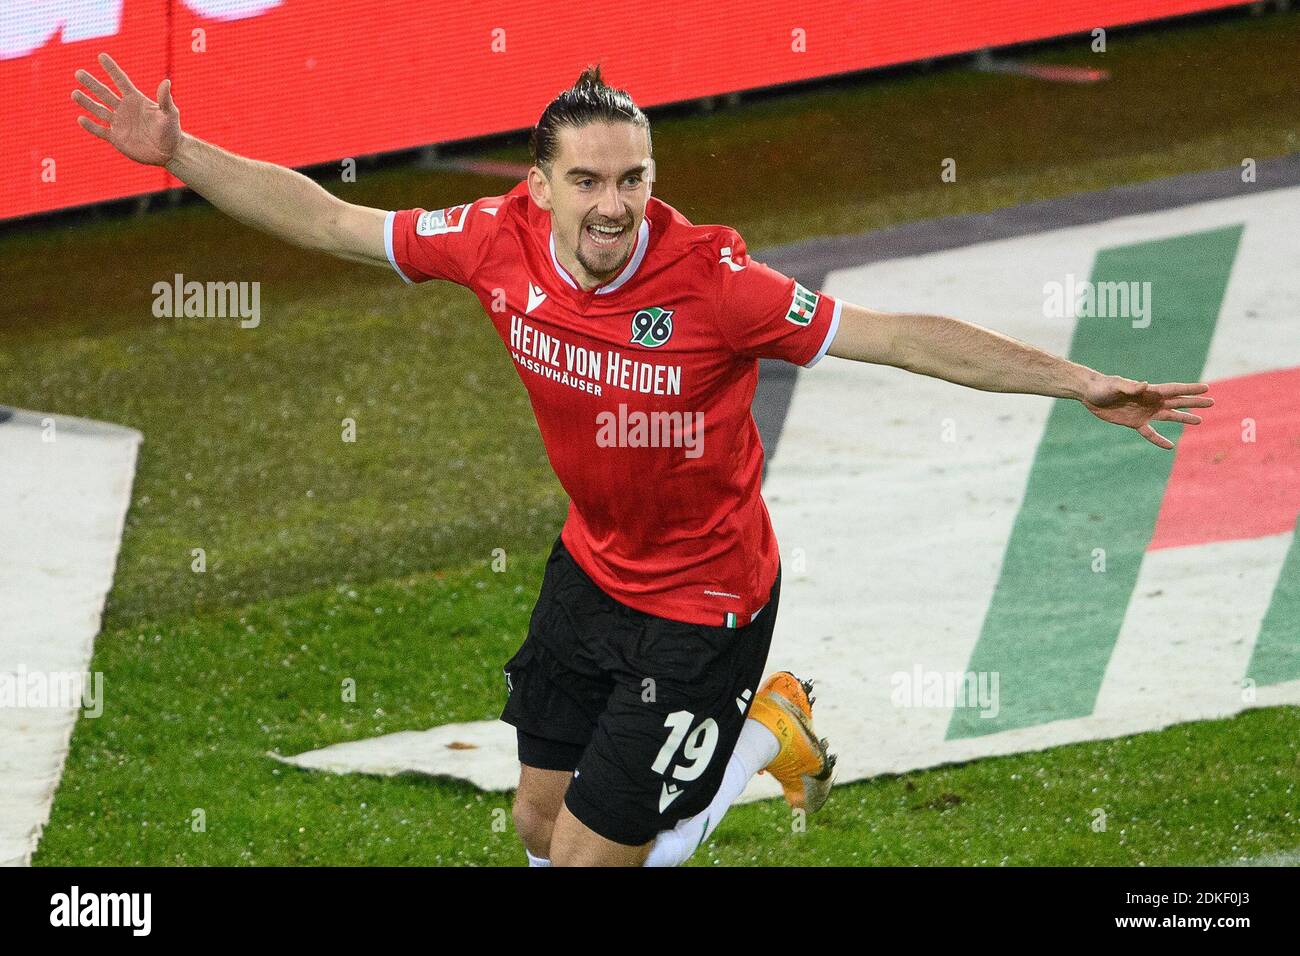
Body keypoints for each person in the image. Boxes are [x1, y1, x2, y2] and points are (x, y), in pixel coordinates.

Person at [73, 55, 1212, 867]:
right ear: (539, 185)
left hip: (704, 605)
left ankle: (752, 720)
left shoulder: (719, 283)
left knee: (583, 861)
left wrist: (1077, 382)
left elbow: (897, 335)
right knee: (535, 820)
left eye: (633, 180)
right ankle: (773, 734)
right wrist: (177, 152)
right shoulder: (490, 241)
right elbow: (323, 219)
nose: (614, 205)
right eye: (588, 181)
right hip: (589, 572)